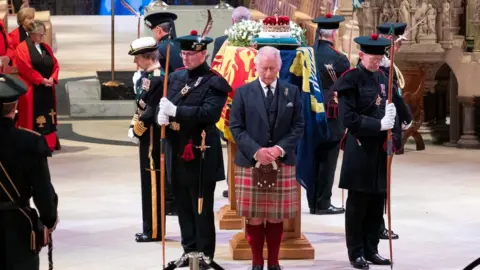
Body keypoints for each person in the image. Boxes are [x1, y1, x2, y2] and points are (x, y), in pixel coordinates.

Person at [156, 29, 231, 269]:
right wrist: (162, 115)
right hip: (177, 150)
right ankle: (189, 251)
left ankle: (205, 254)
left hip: (201, 152)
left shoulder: (214, 82)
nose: (185, 58)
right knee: (182, 206)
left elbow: (208, 113)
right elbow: (168, 103)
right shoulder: (177, 77)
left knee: (201, 206)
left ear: (203, 54)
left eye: (190, 54)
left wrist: (176, 112)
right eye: (184, 53)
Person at [229, 46, 305, 270]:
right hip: (251, 162)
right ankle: (256, 263)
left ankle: (273, 263)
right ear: (256, 67)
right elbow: (236, 127)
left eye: (273, 68)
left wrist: (279, 149)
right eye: (264, 69)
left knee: (275, 216)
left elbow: (299, 126)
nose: (269, 73)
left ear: (280, 67)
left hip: (282, 161)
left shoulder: (292, 92)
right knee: (253, 217)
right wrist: (257, 151)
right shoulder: (243, 92)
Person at [333, 34, 396, 269]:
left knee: (377, 202)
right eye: (372, 58)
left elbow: (391, 109)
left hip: (379, 149)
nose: (376, 63)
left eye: (379, 59)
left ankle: (372, 250)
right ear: (361, 55)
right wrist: (377, 124)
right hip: (359, 147)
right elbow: (347, 118)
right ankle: (356, 252)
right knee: (358, 203)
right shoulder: (350, 80)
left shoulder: (383, 78)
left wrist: (392, 125)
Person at [0, 73, 58, 270]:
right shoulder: (30, 142)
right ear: (15, 107)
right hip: (17, 225)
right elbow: (43, 190)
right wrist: (49, 218)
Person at [126, 37, 168, 242]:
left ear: (147, 57)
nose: (136, 63)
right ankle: (149, 226)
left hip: (151, 138)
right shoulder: (148, 76)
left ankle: (154, 230)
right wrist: (132, 125)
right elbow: (141, 105)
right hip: (146, 136)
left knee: (152, 183)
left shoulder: (157, 78)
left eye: (137, 59)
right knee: (146, 181)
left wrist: (138, 129)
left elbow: (150, 111)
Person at [309, 13, 350, 215]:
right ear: (334, 33)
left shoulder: (307, 54)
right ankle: (323, 202)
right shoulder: (340, 59)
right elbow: (345, 89)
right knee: (328, 160)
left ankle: (312, 201)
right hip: (331, 114)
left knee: (312, 158)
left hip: (309, 112)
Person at [376, 22, 413, 241]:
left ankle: (377, 223)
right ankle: (378, 224)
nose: (399, 48)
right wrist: (407, 118)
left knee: (383, 179)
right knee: (381, 180)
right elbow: (394, 98)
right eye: (397, 44)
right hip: (383, 131)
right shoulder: (383, 68)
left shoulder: (388, 65)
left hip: (391, 129)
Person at [14, 20, 60, 152]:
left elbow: (55, 64)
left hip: (47, 89)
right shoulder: (22, 48)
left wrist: (53, 78)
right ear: (31, 34)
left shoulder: (46, 48)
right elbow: (25, 68)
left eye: (43, 34)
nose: (42, 37)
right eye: (39, 34)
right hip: (32, 89)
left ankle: (49, 144)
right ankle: (32, 145)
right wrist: (41, 80)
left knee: (49, 115)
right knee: (31, 118)